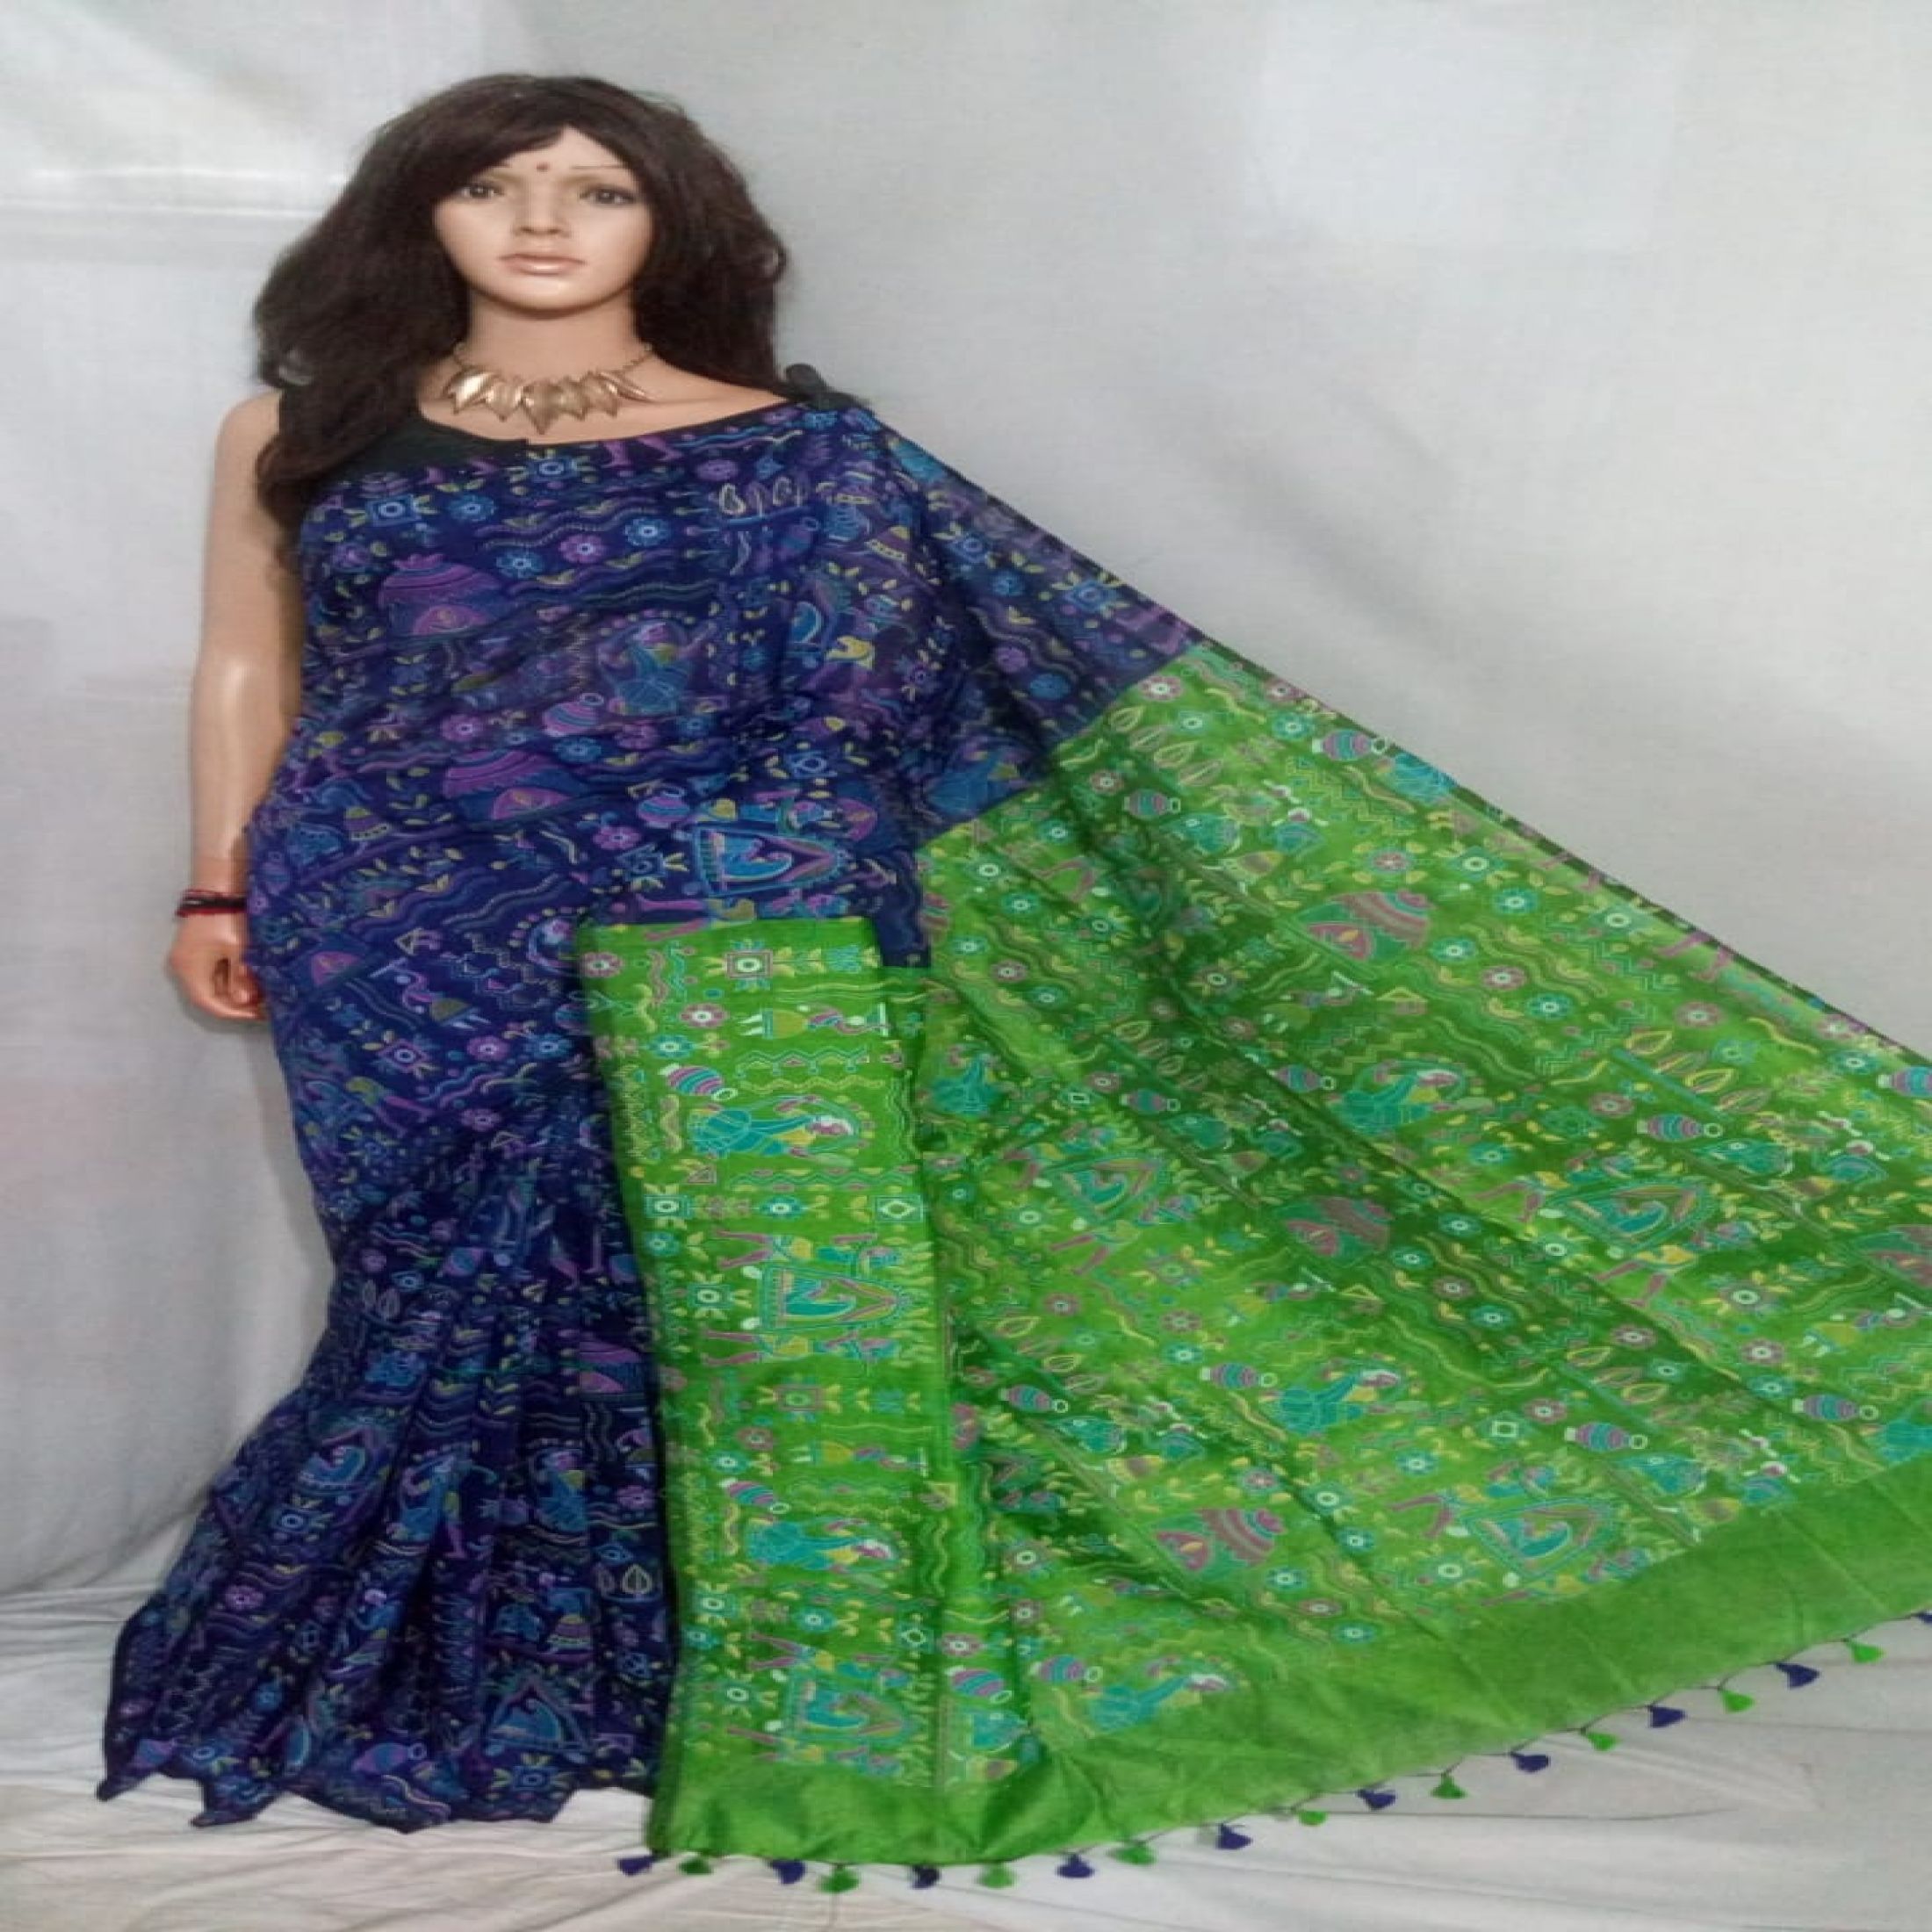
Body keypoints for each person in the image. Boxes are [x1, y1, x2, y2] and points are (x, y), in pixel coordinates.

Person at [99, 69, 1932, 1894]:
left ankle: (683, 1677)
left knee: (680, 1296)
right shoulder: (303, 432)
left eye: (600, 190)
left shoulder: (805, 452)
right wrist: (217, 877)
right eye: (497, 185)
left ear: (673, 223)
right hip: (390, 926)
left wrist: (705, 875)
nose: (543, 223)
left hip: (703, 940)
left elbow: (864, 705)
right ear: (421, 212)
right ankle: (417, 1662)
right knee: (424, 1275)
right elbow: (246, 668)